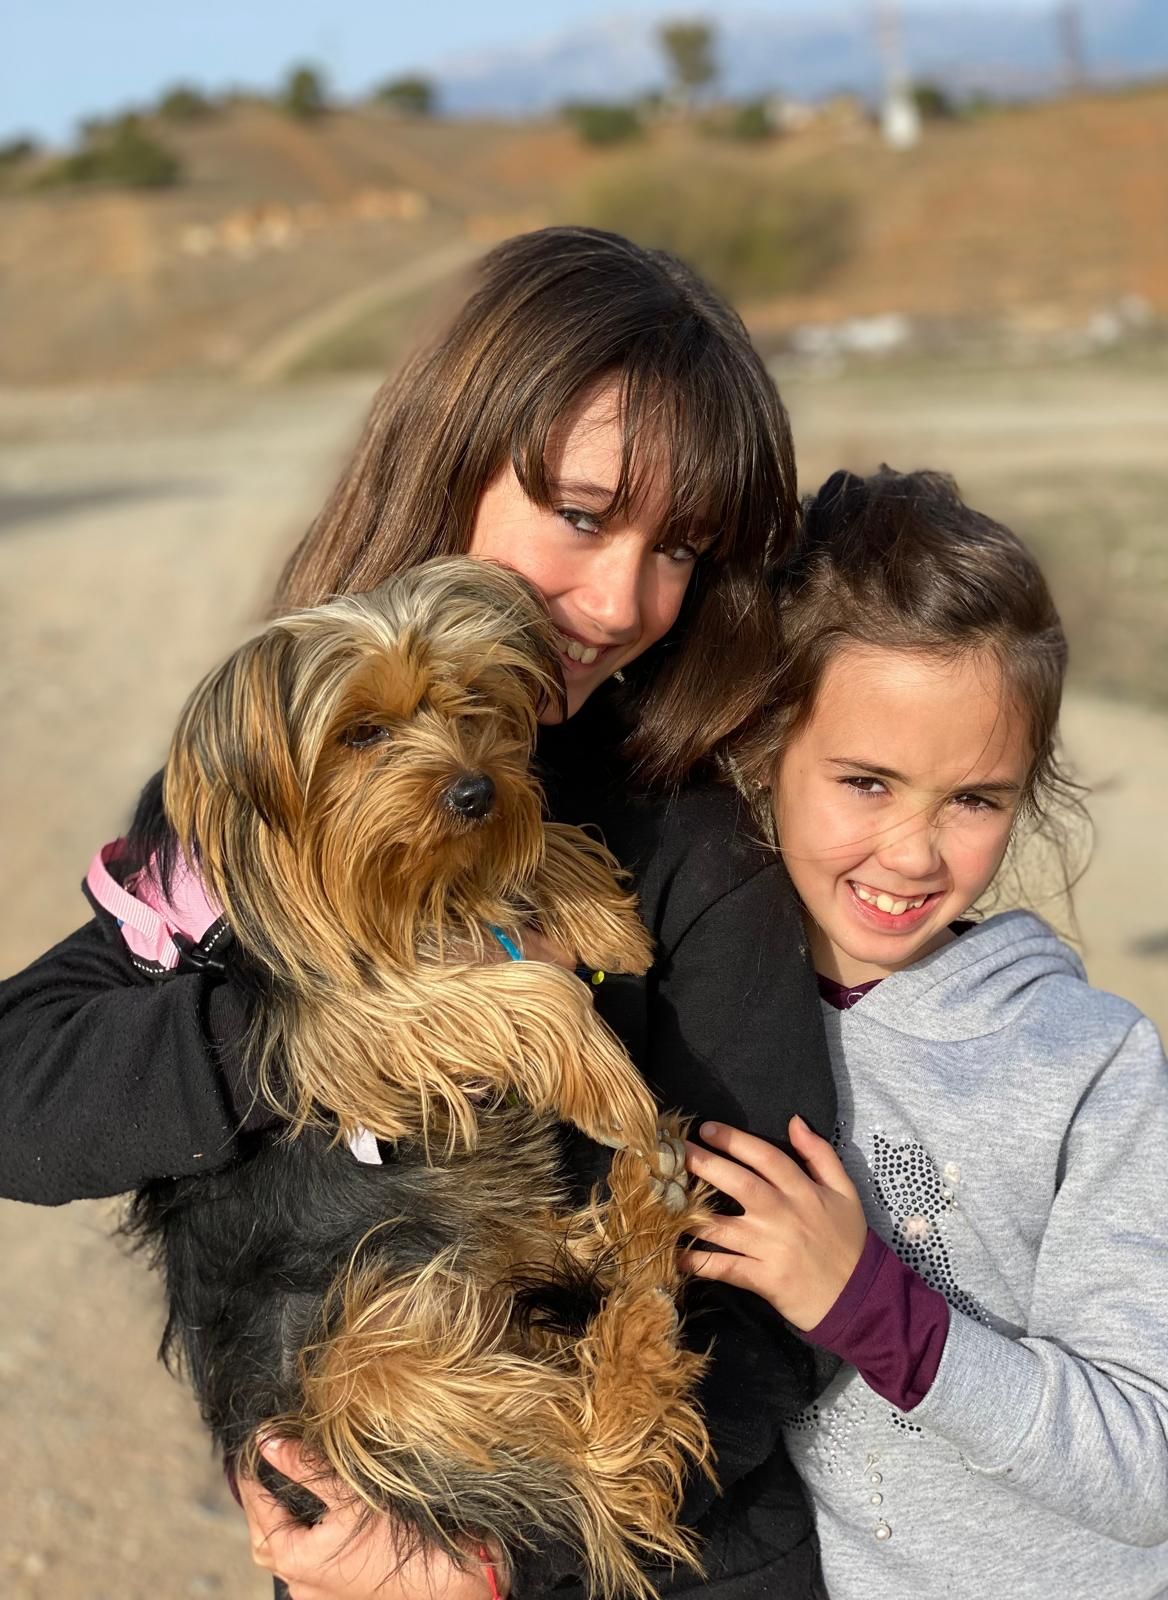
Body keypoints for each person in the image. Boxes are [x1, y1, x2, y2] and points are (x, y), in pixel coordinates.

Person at [0, 228, 835, 1599]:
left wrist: (473, 1549)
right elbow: (20, 1086)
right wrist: (330, 1030)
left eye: (679, 546)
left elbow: (771, 1325)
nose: (621, 599)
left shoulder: (690, 848)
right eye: (579, 511)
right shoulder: (274, 781)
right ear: (448, 456)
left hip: (638, 1551)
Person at [682, 467, 1168, 1599]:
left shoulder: (1089, 1067)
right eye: (867, 781)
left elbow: (1163, 1464)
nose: (916, 853)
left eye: (975, 799)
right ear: (767, 742)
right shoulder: (697, 1007)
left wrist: (867, 1305)